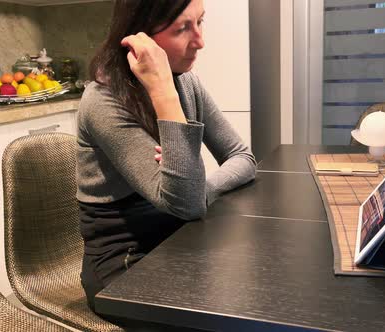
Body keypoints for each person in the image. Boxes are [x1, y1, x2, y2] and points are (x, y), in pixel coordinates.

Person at [76, 0, 257, 318]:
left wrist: (201, 187)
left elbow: (242, 157)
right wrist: (163, 92)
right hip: (125, 261)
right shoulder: (102, 101)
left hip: (176, 239)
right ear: (140, 35)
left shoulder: (187, 81)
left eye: (200, 22)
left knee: (254, 286)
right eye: (182, 28)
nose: (200, 40)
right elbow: (185, 204)